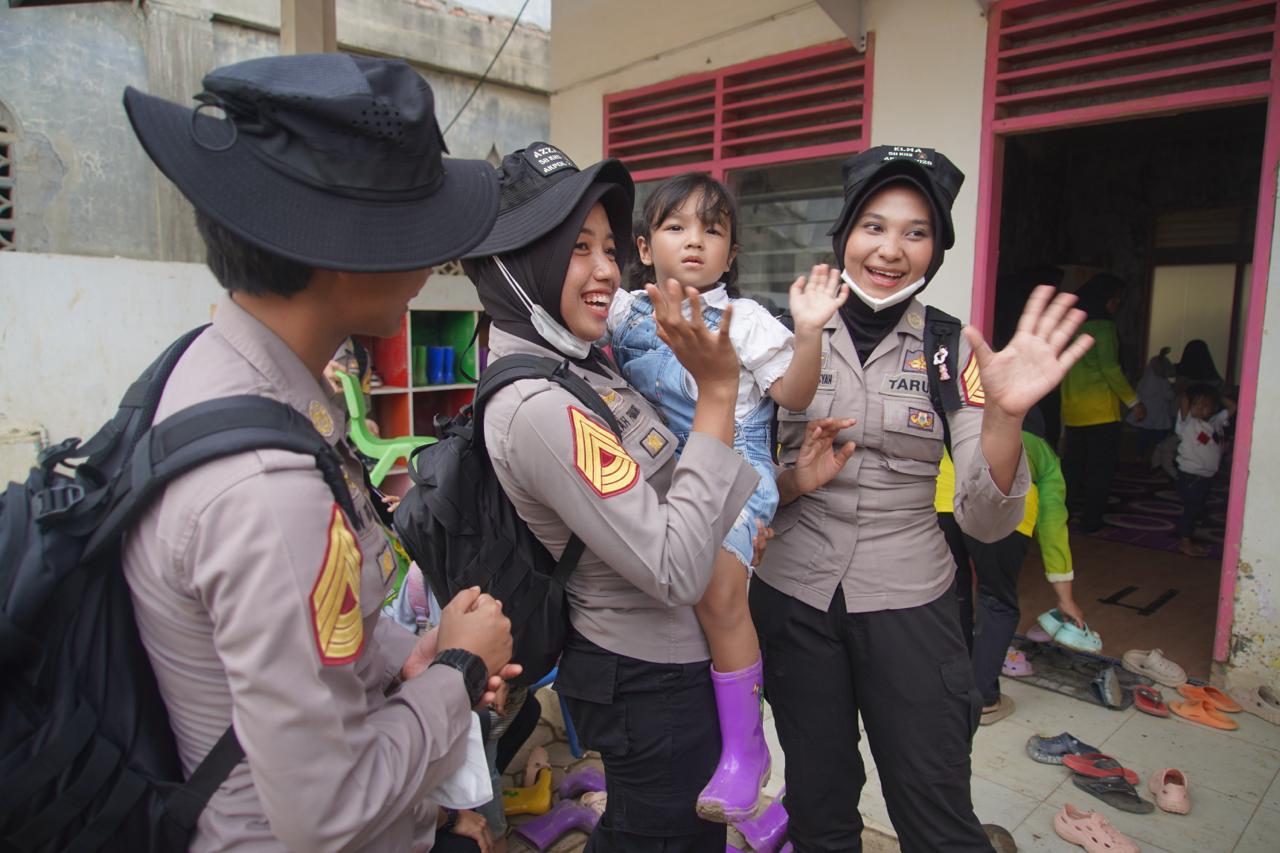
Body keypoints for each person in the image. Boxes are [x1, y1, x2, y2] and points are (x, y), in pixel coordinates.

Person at [120, 53, 519, 852]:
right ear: (346, 254)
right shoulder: (267, 491)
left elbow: (308, 638)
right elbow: (328, 811)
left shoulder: (228, 369)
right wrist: (460, 675)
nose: (431, 264)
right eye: (420, 233)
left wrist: (409, 654)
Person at [748, 145, 1093, 853]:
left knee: (933, 810)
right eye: (874, 226)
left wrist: (1004, 417)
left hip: (911, 604)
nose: (891, 249)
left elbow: (985, 518)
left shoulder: (951, 350)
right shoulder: (784, 337)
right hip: (795, 602)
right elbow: (742, 483)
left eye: (915, 231)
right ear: (844, 233)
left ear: (936, 248)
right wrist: (791, 481)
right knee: (817, 804)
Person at [458, 141, 763, 851]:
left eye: (606, 246)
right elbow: (675, 566)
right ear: (517, 263)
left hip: (671, 663)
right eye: (576, 248)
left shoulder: (583, 360)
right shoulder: (539, 402)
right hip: (648, 678)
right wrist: (718, 391)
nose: (605, 270)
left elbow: (669, 477)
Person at [608, 173, 849, 821]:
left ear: (732, 253)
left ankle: (747, 752)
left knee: (717, 589)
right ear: (642, 243)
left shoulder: (748, 322)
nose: (695, 241)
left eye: (712, 230)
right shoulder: (625, 309)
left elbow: (794, 395)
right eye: (676, 227)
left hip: (735, 467)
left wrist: (810, 333)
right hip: (657, 468)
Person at [937, 408, 1085, 724]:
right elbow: (1053, 525)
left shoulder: (968, 431)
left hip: (943, 500)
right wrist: (1065, 598)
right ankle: (984, 700)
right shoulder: (1043, 452)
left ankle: (952, 689)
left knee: (954, 590)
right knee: (998, 601)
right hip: (1004, 510)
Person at [1060, 273, 1145, 533]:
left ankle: (1061, 517)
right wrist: (1133, 402)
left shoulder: (1071, 326)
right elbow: (1111, 369)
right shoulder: (1104, 327)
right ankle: (1090, 521)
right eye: (1116, 299)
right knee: (1100, 470)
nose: (1116, 305)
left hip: (1073, 410)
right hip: (1101, 413)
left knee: (1071, 469)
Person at [1173, 383, 1235, 557]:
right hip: (1190, 476)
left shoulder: (1215, 422)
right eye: (1196, 404)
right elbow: (1185, 401)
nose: (1200, 409)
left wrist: (1216, 394)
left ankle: (1188, 537)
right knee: (1192, 508)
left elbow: (1232, 407)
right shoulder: (1188, 424)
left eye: (1205, 405)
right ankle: (1184, 542)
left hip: (1205, 477)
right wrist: (1190, 390)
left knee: (1197, 509)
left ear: (1214, 408)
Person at [1128, 348, 1176, 465]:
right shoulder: (1163, 383)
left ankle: (1139, 457)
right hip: (1159, 417)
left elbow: (1137, 392)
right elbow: (1169, 396)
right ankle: (1157, 461)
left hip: (1145, 415)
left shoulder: (1144, 381)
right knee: (1159, 441)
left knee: (1142, 438)